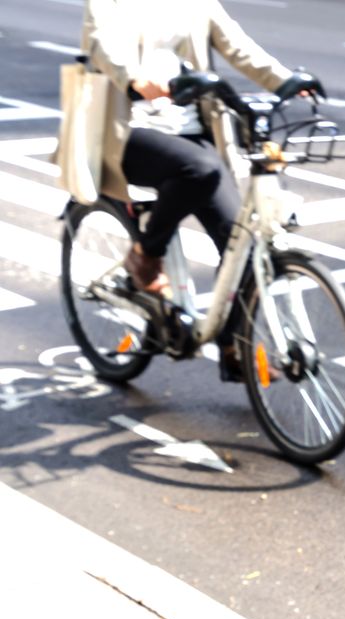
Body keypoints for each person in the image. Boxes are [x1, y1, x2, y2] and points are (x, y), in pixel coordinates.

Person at [82, 0, 305, 381]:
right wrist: (134, 79)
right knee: (198, 170)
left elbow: (236, 45)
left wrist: (285, 81)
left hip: (191, 133)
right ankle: (146, 255)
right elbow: (101, 42)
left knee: (242, 242)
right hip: (129, 131)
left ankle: (234, 345)